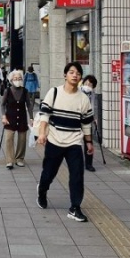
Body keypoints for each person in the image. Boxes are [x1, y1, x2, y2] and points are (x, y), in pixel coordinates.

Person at [36, 61, 93, 222]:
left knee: (77, 175)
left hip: (74, 142)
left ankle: (75, 207)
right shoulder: (54, 93)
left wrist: (89, 143)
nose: (75, 75)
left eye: (78, 73)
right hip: (54, 140)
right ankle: (42, 190)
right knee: (49, 173)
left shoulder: (83, 99)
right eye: (72, 72)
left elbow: (86, 124)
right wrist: (42, 134)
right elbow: (44, 115)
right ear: (65, 75)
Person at [1, 70, 31, 169]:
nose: (17, 80)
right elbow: (2, 104)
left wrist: (31, 118)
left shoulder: (25, 91)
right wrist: (3, 116)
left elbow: (29, 105)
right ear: (11, 80)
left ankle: (19, 159)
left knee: (22, 139)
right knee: (9, 139)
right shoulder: (7, 91)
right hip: (10, 117)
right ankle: (10, 160)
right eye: (15, 78)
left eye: (19, 78)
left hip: (22, 117)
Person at [81, 75, 98, 172]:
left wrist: (94, 117)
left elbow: (92, 105)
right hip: (76, 118)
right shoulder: (78, 90)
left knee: (88, 141)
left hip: (87, 119)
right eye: (86, 83)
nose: (88, 85)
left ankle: (89, 164)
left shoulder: (92, 94)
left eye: (90, 84)